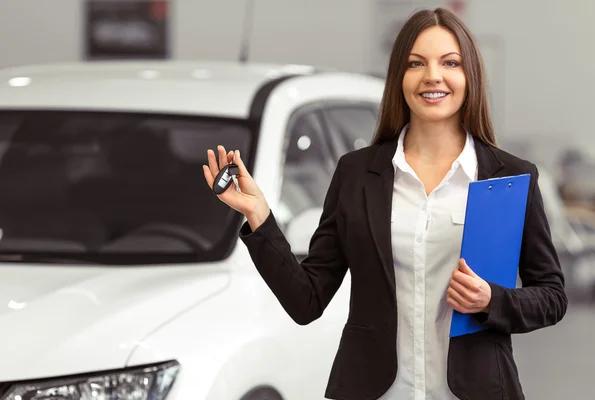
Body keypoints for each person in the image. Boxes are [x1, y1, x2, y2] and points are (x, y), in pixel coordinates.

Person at [203, 7, 568, 400]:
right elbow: (306, 300)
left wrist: (492, 300)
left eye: (450, 62)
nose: (433, 76)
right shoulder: (357, 174)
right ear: (399, 77)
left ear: (470, 77)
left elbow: (552, 296)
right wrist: (259, 215)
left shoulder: (509, 177)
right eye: (416, 63)